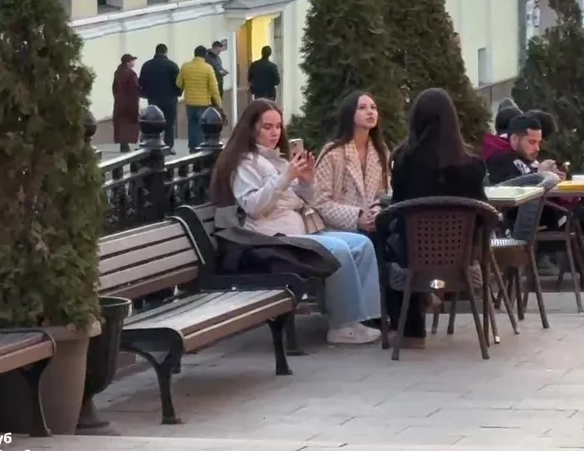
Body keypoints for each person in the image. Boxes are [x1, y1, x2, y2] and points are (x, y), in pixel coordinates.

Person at [210, 99, 382, 345]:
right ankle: (342, 326)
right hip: (270, 241)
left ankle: (365, 318)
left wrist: (306, 181)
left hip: (301, 233)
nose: (275, 132)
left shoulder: (278, 160)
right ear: (251, 128)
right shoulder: (244, 163)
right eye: (267, 127)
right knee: (339, 250)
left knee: (361, 244)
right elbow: (254, 206)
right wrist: (286, 177)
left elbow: (304, 199)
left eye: (278, 126)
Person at [388, 88, 490, 347]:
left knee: (388, 243)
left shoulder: (403, 162)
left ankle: (411, 330)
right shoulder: (472, 166)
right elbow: (483, 214)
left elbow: (397, 207)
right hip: (461, 256)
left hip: (415, 255)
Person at [313, 91, 391, 235]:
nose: (370, 112)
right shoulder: (332, 152)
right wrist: (358, 217)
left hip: (375, 226)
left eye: (373, 107)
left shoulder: (381, 150)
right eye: (362, 107)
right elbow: (320, 202)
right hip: (337, 230)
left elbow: (386, 192)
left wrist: (377, 210)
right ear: (349, 114)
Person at [177, 45, 222, 153]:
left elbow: (178, 83)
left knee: (192, 126)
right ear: (205, 55)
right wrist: (219, 103)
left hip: (190, 102)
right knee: (202, 127)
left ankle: (192, 148)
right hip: (203, 103)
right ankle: (200, 149)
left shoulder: (185, 67)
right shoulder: (208, 68)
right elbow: (214, 88)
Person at [138, 44, 181, 150]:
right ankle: (168, 146)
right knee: (169, 123)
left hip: (153, 98)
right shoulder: (172, 65)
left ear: (156, 51)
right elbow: (178, 82)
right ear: (166, 52)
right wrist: (177, 93)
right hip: (170, 98)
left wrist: (145, 93)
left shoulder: (147, 65)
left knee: (153, 122)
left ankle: (152, 144)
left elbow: (141, 82)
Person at [111, 54, 140, 152]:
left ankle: (123, 144)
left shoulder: (118, 72)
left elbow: (114, 87)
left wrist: (117, 97)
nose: (133, 63)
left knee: (121, 124)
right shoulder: (131, 74)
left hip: (119, 102)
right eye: (132, 61)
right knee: (128, 124)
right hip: (130, 103)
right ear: (127, 62)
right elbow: (135, 89)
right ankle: (125, 144)